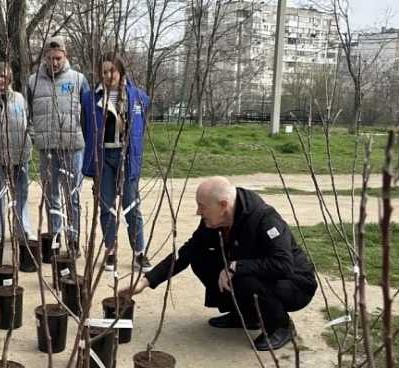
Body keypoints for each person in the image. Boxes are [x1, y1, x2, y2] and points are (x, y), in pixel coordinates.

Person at [120, 177, 317, 351]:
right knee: (200, 257)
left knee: (243, 277)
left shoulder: (265, 218)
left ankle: (281, 325)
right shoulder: (215, 220)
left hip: (295, 284)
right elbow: (187, 252)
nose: (198, 211)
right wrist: (145, 281)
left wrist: (236, 266)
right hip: (258, 274)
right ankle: (246, 315)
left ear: (223, 205)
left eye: (202, 206)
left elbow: (283, 265)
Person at [82, 53, 152, 273]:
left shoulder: (137, 96)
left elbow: (141, 123)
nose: (108, 75)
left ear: (120, 71)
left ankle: (139, 253)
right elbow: (86, 127)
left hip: (126, 157)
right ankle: (110, 251)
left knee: (132, 206)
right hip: (104, 157)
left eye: (112, 71)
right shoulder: (90, 98)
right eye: (103, 72)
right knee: (107, 206)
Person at [27, 36, 89, 256]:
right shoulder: (33, 81)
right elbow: (28, 112)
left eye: (58, 58)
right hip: (47, 149)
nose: (54, 63)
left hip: (72, 147)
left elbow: (88, 114)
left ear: (65, 56)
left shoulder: (78, 79)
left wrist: (85, 139)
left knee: (72, 195)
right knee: (51, 195)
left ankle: (73, 240)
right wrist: (35, 136)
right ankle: (55, 238)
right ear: (45, 57)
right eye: (51, 58)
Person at [0, 62, 35, 268]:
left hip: (19, 154)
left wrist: (29, 140)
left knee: (21, 193)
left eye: (7, 76)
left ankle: (22, 228)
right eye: (0, 76)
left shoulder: (19, 98)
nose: (3, 80)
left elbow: (27, 121)